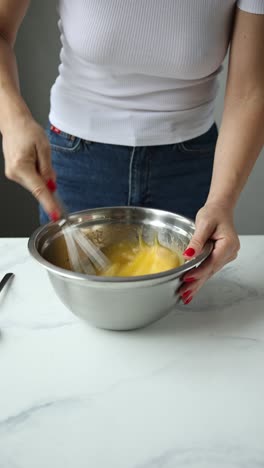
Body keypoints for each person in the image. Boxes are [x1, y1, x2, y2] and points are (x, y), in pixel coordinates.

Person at [0, 1, 264, 304]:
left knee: (184, 331)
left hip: (189, 169)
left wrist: (222, 200)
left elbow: (250, 90)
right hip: (76, 164)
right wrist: (12, 120)